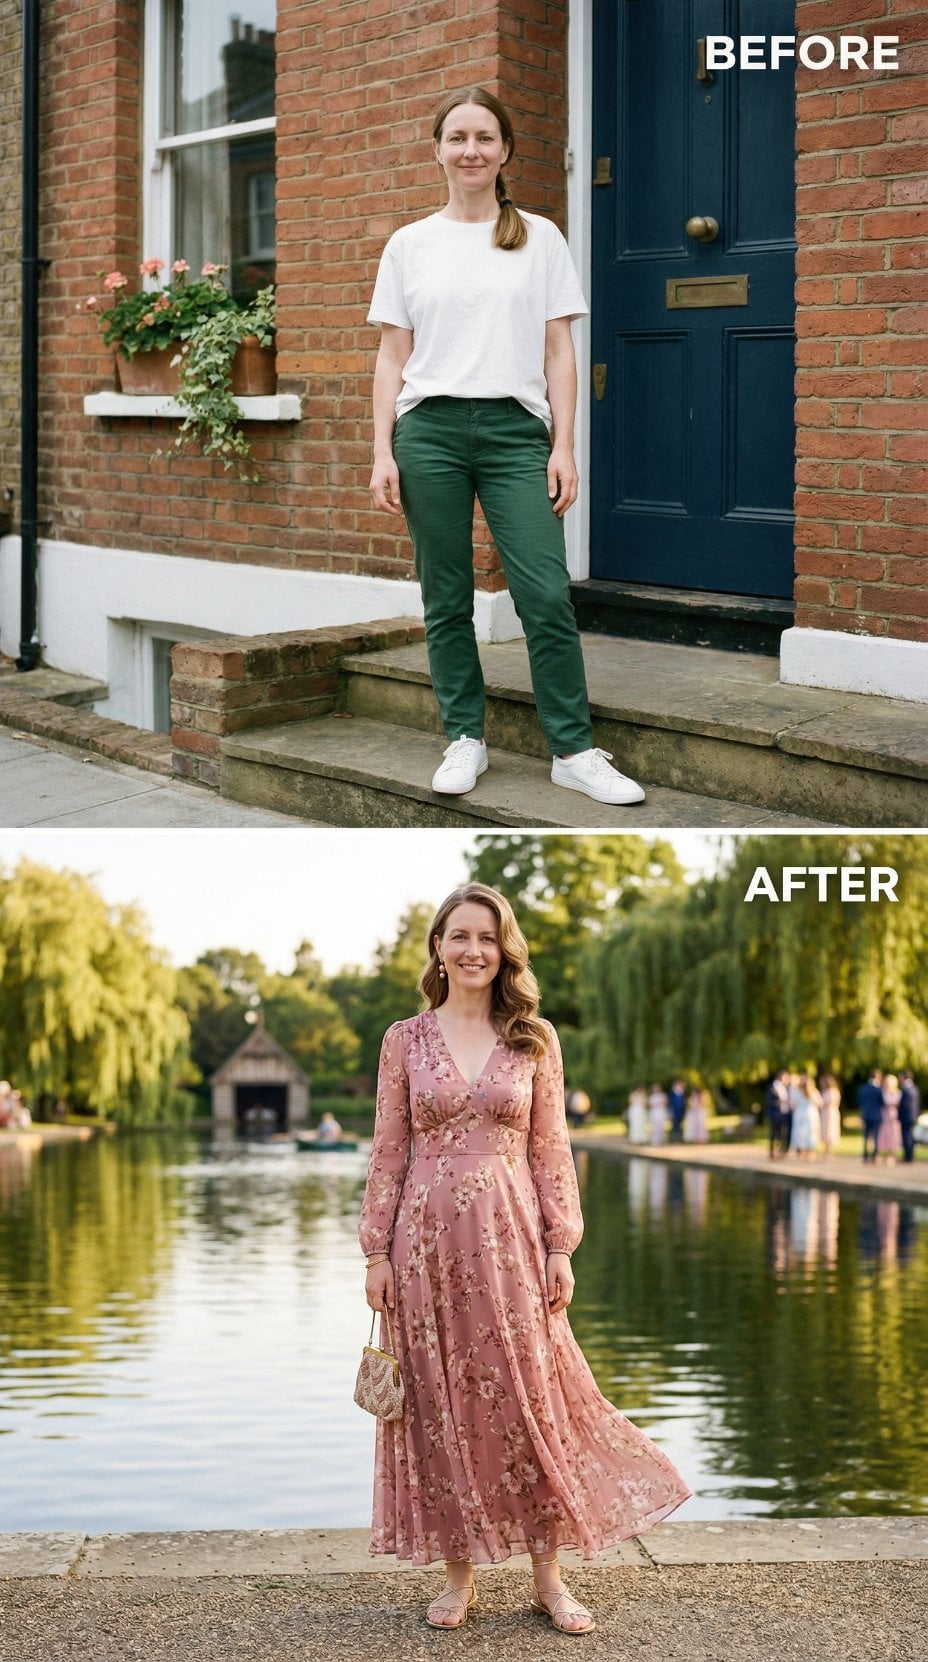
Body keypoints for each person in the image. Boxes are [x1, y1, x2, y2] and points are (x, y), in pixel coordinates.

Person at [359, 883, 691, 1632]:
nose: (473, 950)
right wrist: (375, 1250)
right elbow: (388, 1150)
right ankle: (459, 1575)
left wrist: (561, 1244)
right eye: (459, 936)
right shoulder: (403, 1040)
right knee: (441, 1406)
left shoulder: (532, 1038)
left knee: (529, 1400)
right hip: (424, 1250)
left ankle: (549, 1577)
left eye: (487, 937)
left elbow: (550, 1150)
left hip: (512, 1243)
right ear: (438, 948)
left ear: (504, 949)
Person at [367, 86, 646, 808]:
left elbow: (559, 352)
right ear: (437, 151)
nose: (471, 150)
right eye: (457, 137)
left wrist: (563, 446)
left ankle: (573, 751)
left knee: (545, 594)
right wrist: (382, 451)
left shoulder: (540, 238)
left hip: (515, 433)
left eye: (484, 137)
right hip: (428, 432)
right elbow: (393, 357)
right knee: (446, 596)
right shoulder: (409, 245)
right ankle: (465, 736)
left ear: (505, 151)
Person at [788, 1074, 822, 1160]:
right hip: (811, 1114)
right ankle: (810, 1152)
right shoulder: (814, 1092)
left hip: (799, 1114)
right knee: (811, 1133)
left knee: (800, 1133)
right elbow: (820, 1103)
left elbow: (792, 1105)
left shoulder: (797, 1092)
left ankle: (803, 1152)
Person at [857, 1070, 884, 1163]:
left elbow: (860, 1102)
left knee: (866, 1136)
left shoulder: (863, 1088)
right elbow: (882, 1103)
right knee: (876, 1136)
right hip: (876, 1115)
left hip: (866, 1115)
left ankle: (865, 1154)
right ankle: (874, 1155)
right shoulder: (879, 1090)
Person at [876, 1073, 903, 1166]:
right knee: (882, 1135)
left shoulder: (897, 1093)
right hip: (884, 1116)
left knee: (893, 1135)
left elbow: (899, 1105)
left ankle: (891, 1156)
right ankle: (879, 1155)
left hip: (893, 1117)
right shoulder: (882, 1092)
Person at [898, 1071, 920, 1165]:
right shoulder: (915, 1088)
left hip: (906, 1117)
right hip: (913, 1116)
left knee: (906, 1136)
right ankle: (910, 1156)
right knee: (911, 1136)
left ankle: (908, 1157)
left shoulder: (906, 1090)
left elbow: (905, 1106)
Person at [818, 1074, 842, 1154]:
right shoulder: (824, 1091)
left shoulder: (833, 1091)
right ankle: (826, 1148)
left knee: (830, 1129)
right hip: (825, 1113)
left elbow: (831, 1103)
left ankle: (829, 1149)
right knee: (825, 1129)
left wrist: (822, 1104)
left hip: (830, 1113)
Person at [647, 1083, 668, 1147]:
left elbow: (665, 1103)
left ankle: (661, 1140)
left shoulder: (662, 1095)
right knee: (654, 1127)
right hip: (654, 1112)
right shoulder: (651, 1097)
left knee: (661, 1126)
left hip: (660, 1112)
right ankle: (654, 1140)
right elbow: (649, 1105)